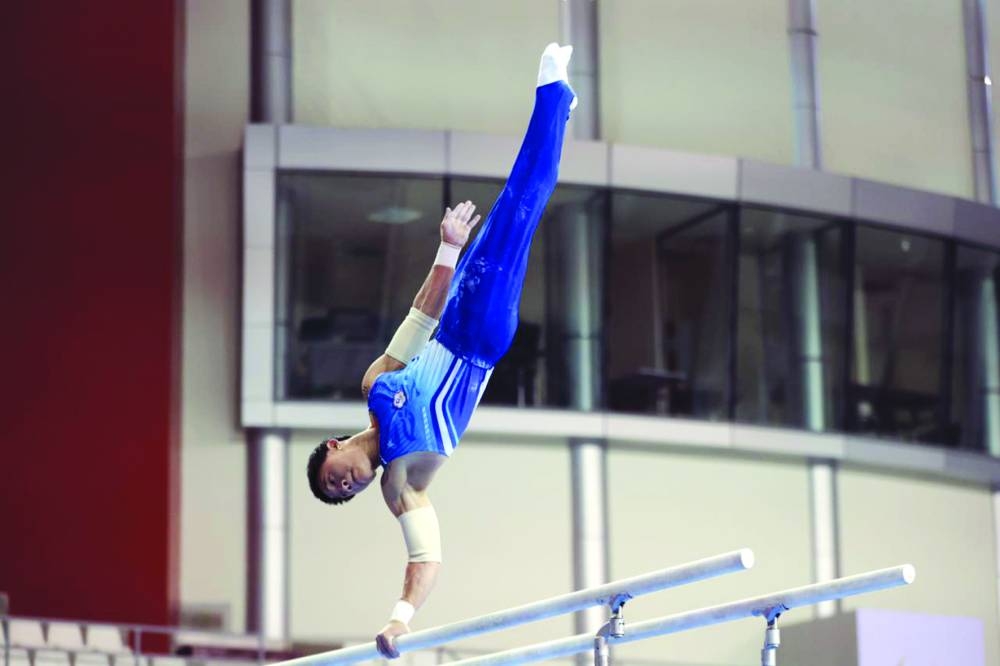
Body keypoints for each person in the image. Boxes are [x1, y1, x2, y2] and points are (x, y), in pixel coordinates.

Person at [305, 43, 577, 659]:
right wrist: (400, 621)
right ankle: (554, 94)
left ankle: (558, 105)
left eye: (337, 477)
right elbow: (426, 557)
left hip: (454, 314)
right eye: (345, 493)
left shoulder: (376, 382)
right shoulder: (400, 482)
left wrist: (448, 249)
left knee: (516, 203)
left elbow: (419, 316)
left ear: (333, 448)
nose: (349, 484)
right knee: (521, 206)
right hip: (480, 341)